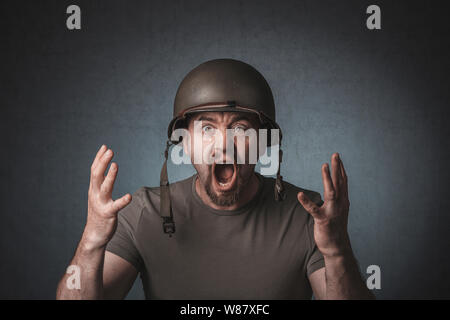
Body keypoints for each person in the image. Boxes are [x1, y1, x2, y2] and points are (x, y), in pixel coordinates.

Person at [56, 59, 374, 299]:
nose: (223, 144)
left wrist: (336, 251)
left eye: (240, 129)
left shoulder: (308, 215)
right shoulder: (143, 212)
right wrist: (92, 241)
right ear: (185, 141)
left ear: (264, 142)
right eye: (207, 129)